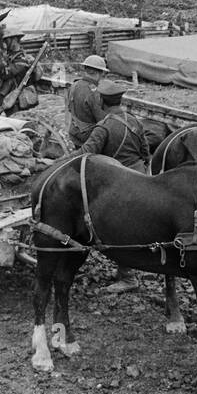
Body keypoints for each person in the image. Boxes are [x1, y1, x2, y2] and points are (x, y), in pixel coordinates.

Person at [79, 80, 152, 294]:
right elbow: (146, 152)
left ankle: (128, 276)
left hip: (119, 181)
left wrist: (58, 162)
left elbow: (86, 152)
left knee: (118, 229)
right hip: (140, 177)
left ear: (101, 100)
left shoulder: (104, 127)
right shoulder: (134, 121)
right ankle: (142, 264)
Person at [66, 54, 107, 147]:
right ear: (99, 72)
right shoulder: (95, 92)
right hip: (89, 137)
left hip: (74, 132)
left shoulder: (74, 85)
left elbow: (69, 108)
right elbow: (102, 119)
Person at [0, 30, 35, 115]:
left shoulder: (22, 58)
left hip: (17, 100)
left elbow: (5, 74)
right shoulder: (9, 56)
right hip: (9, 98)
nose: (4, 43)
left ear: (15, 39)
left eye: (6, 40)